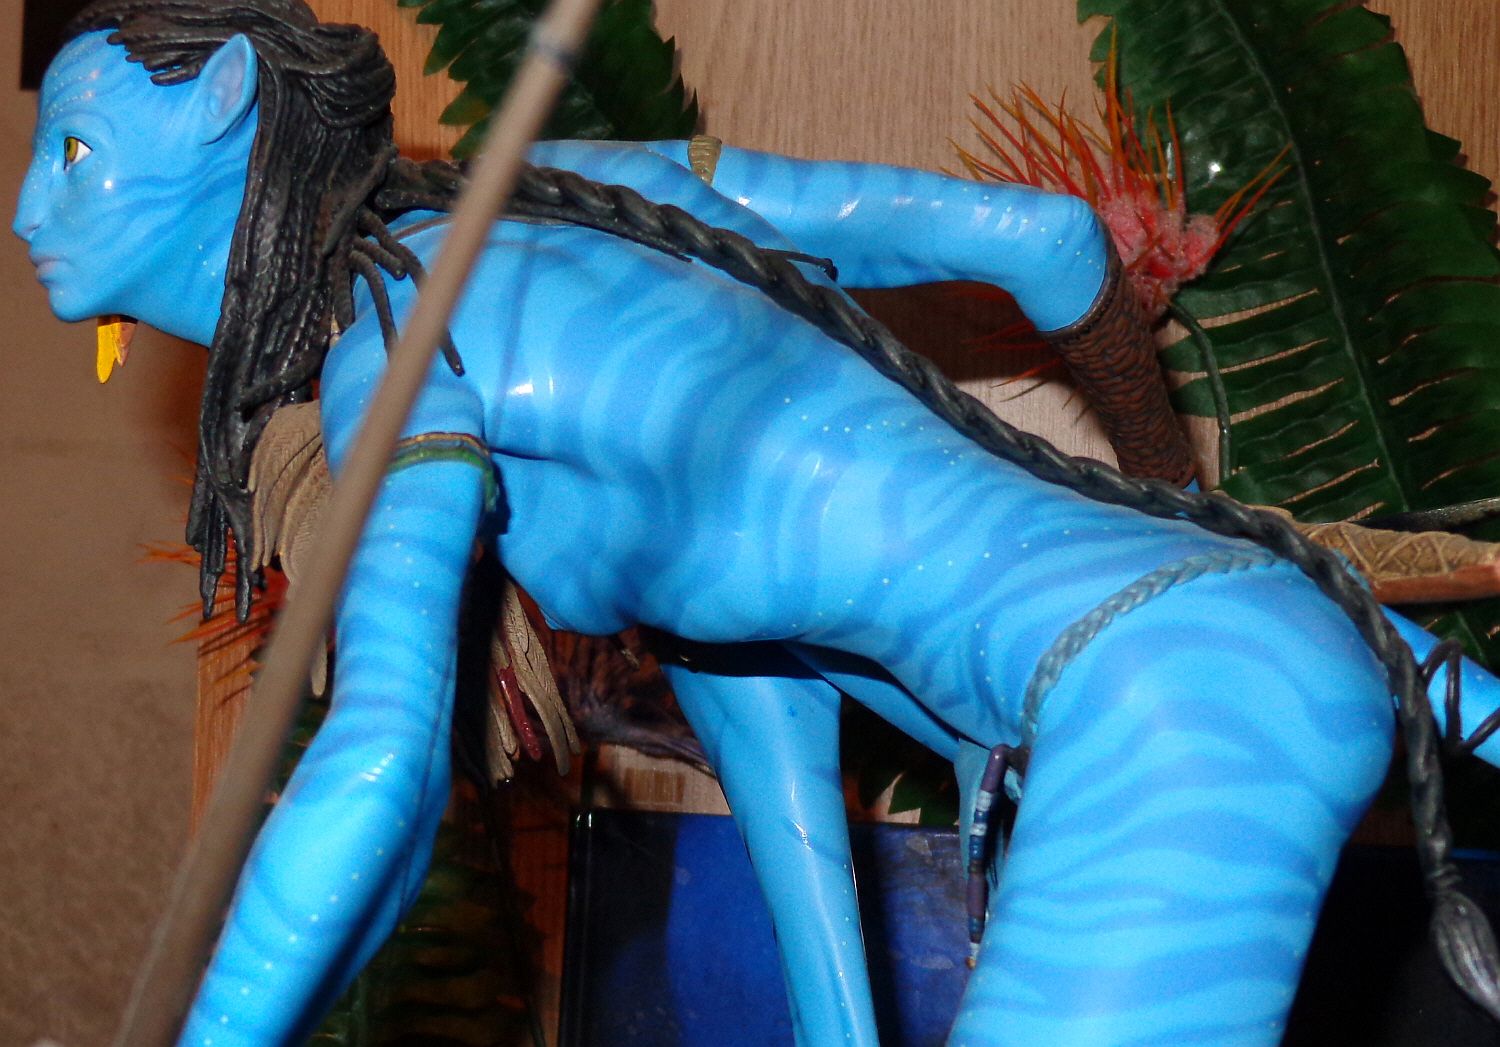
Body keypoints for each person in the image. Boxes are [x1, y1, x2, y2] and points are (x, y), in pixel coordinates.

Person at [15, 3, 1500, 1043]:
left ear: (226, 102)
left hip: (1157, 695)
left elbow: (383, 770)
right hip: (1255, 620)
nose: (26, 211)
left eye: (72, 152)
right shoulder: (598, 194)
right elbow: (1048, 244)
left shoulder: (400, 356)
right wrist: (1185, 510)